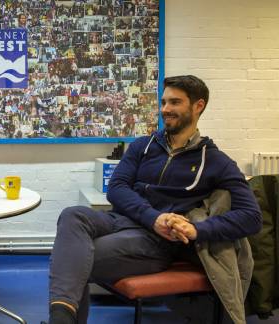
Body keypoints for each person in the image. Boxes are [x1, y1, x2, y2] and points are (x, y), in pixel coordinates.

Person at [47, 75, 262, 324]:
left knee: (70, 261)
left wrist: (196, 230)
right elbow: (116, 188)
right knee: (73, 214)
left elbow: (251, 217)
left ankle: (61, 320)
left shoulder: (216, 161)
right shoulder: (143, 146)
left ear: (198, 106)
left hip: (156, 242)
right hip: (121, 220)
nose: (165, 110)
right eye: (163, 102)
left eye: (174, 102)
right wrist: (154, 217)